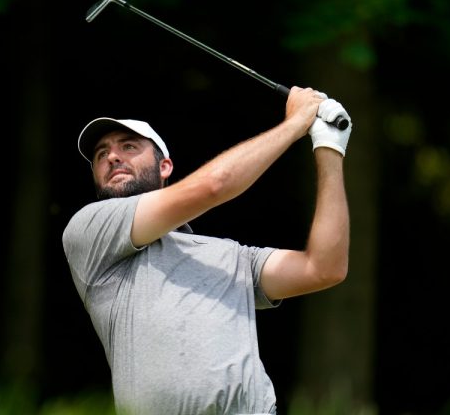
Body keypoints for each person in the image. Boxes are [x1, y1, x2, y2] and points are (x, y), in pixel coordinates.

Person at [62, 86, 352, 415]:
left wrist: (328, 146)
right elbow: (213, 186)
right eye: (102, 154)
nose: (112, 156)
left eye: (128, 147)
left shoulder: (232, 257)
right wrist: (296, 121)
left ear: (165, 167)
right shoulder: (89, 231)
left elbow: (325, 268)